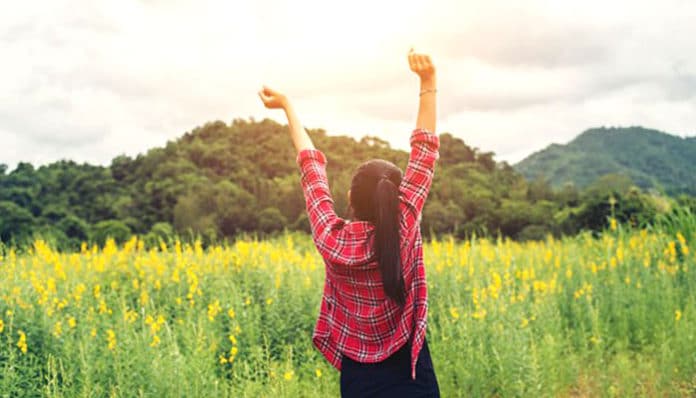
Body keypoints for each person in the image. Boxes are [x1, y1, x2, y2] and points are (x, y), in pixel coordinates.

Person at [258, 48, 440, 397]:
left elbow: (311, 168)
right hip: (410, 371)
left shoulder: (331, 237)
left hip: (359, 378)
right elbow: (424, 152)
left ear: (352, 201)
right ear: (395, 197)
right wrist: (428, 81)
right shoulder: (405, 223)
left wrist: (288, 108)